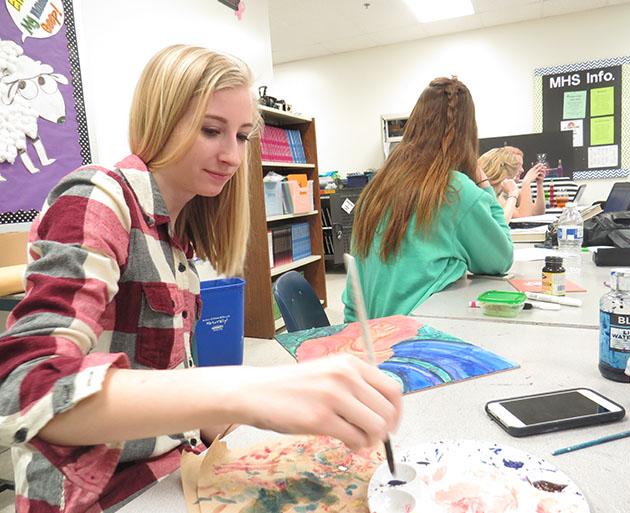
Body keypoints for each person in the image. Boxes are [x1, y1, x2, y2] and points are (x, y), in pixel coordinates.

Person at [0, 45, 401, 513]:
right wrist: (244, 392)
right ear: (162, 119)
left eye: (243, 136)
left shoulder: (179, 238)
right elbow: (28, 386)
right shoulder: (97, 197)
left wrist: (205, 420)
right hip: (105, 495)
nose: (231, 156)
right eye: (212, 130)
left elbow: (159, 380)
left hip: (174, 473)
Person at [343, 76, 513, 321]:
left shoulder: (377, 187)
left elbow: (354, 291)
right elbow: (501, 259)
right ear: (467, 133)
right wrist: (483, 183)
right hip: (418, 340)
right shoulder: (456, 189)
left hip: (370, 339)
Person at [478, 146, 547, 223]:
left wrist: (539, 184)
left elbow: (537, 213)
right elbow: (523, 218)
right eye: (517, 165)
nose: (522, 170)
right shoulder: (494, 192)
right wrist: (526, 183)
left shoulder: (509, 188)